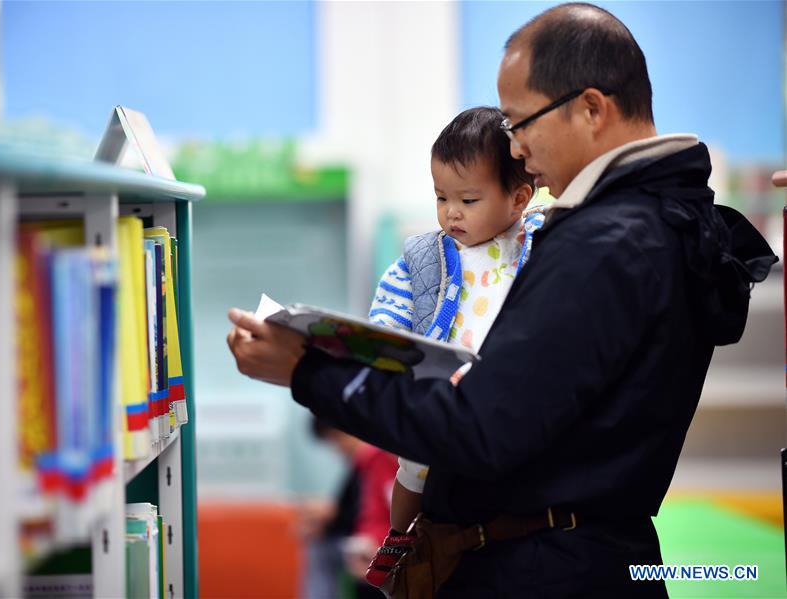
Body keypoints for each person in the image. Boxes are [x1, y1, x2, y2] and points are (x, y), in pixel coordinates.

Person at [226, 3, 777, 596]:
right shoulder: (671, 219)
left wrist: (308, 372)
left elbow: (479, 430)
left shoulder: (607, 243)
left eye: (521, 122)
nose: (514, 147)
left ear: (591, 109)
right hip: (584, 556)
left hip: (542, 569)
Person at [363, 107, 542, 585]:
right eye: (441, 197)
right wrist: (388, 341)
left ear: (519, 197)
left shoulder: (539, 240)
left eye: (467, 198)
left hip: (505, 391)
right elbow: (390, 308)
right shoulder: (426, 254)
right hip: (441, 389)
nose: (451, 213)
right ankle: (401, 538)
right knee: (413, 466)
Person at [299, 417, 396, 599]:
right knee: (322, 547)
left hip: (395, 542)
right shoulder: (366, 461)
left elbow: (394, 514)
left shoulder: (378, 456)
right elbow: (370, 512)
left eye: (336, 440)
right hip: (375, 540)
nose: (337, 450)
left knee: (322, 551)